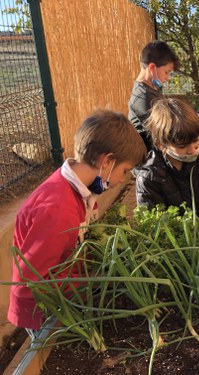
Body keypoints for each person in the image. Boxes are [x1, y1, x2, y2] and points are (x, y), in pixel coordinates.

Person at [8, 110, 147, 334]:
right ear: (107, 161)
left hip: (63, 295)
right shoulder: (58, 209)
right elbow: (35, 283)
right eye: (124, 171)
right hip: (43, 312)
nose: (123, 179)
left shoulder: (82, 188)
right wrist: (96, 280)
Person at [135, 98, 199, 211]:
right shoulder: (150, 178)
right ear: (161, 144)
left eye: (195, 141)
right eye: (182, 146)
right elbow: (154, 221)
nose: (192, 150)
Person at [129, 40, 180, 151]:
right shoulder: (143, 96)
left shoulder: (151, 88)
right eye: (166, 72)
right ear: (152, 68)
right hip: (149, 160)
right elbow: (163, 134)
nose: (168, 78)